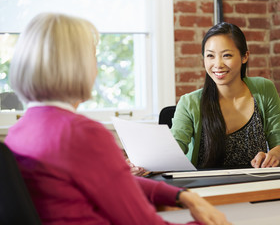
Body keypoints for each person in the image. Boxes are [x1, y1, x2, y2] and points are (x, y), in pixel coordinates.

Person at [5, 13, 231, 225]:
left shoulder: (19, 132)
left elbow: (117, 182)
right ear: (78, 66)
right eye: (94, 57)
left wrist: (182, 196)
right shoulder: (81, 134)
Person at [170, 22, 280, 169]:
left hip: (256, 184)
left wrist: (272, 156)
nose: (218, 64)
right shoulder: (189, 103)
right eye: (210, 56)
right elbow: (173, 150)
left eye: (226, 55)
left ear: (245, 56)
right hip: (207, 188)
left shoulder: (264, 89)